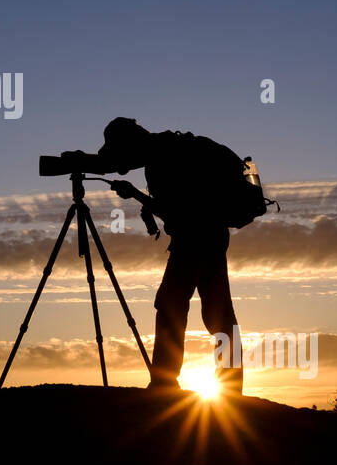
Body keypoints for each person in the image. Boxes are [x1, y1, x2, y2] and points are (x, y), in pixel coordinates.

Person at [90, 117, 245, 395]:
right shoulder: (170, 147)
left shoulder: (163, 159)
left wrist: (136, 194)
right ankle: (230, 385)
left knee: (172, 305)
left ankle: (165, 382)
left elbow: (175, 211)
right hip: (210, 235)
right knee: (217, 314)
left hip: (195, 237)